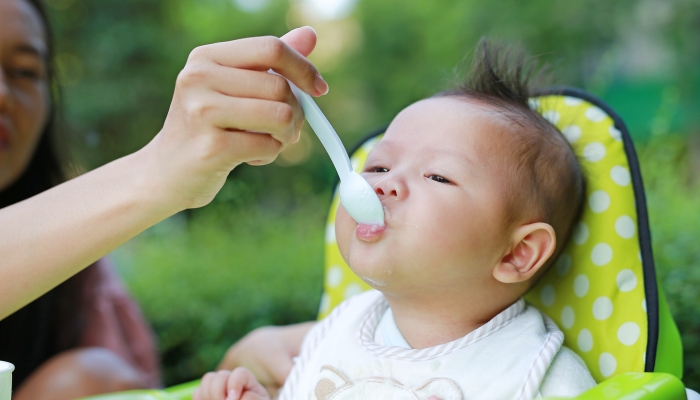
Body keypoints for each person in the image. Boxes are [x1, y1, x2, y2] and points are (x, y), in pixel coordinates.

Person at [195, 40, 597, 400]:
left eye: (438, 176)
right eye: (380, 167)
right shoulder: (336, 336)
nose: (384, 186)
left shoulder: (539, 375)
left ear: (518, 253)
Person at [0, 0, 328, 397]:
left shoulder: (83, 283)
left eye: (24, 71)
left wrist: (231, 378)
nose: (2, 94)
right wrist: (158, 170)